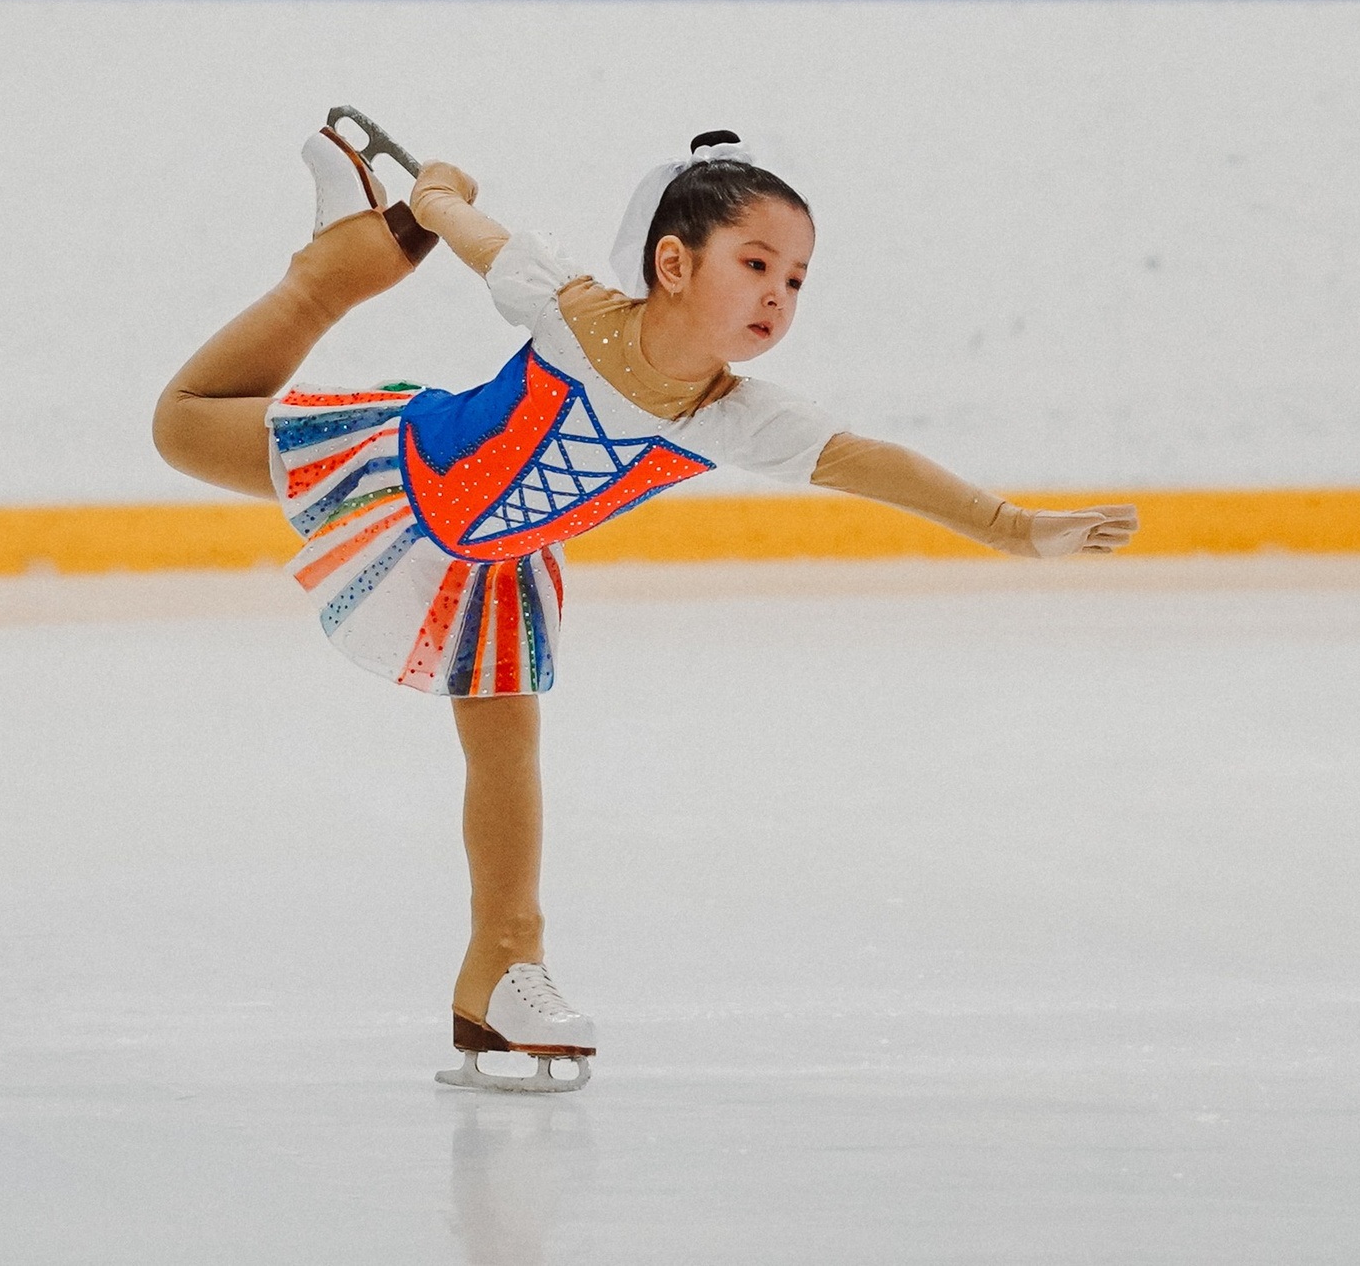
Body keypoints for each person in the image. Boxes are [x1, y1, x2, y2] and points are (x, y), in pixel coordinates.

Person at [153, 117, 1138, 1092]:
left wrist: (1013, 526)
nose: (779, 294)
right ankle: (333, 270)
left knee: (505, 754)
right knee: (182, 425)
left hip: (492, 568)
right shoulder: (571, 310)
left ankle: (504, 965)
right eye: (756, 264)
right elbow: (483, 240)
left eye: (796, 280)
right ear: (673, 262)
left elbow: (875, 464)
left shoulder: (735, 417)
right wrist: (437, 196)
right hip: (400, 471)